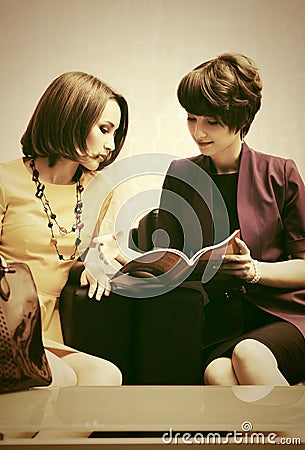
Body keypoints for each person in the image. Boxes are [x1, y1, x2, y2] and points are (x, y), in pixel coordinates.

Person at [155, 53, 305, 385]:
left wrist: (255, 271)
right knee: (217, 374)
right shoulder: (181, 174)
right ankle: (287, 436)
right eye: (192, 118)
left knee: (249, 354)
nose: (198, 131)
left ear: (240, 117)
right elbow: (165, 257)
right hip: (221, 322)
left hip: (287, 316)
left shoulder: (280, 173)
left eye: (211, 121)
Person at [0, 71, 128, 386]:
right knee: (59, 381)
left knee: (105, 377)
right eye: (104, 129)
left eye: (116, 132)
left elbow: (103, 251)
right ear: (70, 118)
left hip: (45, 326)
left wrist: (96, 264)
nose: (111, 144)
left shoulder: (102, 189)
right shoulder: (5, 180)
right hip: (6, 316)